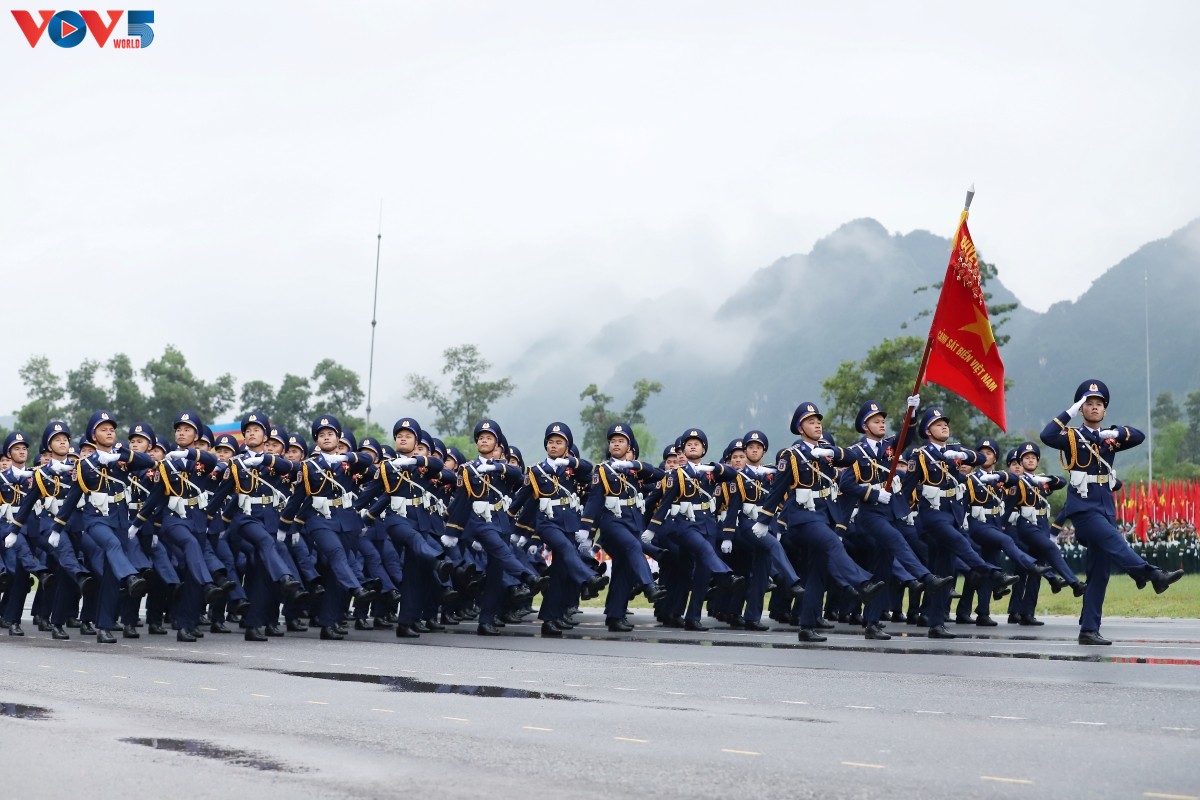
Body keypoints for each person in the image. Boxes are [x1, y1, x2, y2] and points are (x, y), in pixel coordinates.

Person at [1040, 380, 1184, 645]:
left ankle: (1088, 630)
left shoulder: (1109, 440)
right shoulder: (1072, 438)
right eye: (1088, 404)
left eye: (1099, 404)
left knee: (1099, 574)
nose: (1094, 408)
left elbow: (1138, 436)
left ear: (1105, 411)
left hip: (1106, 508)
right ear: (1082, 409)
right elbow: (1047, 435)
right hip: (1083, 509)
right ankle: (1152, 575)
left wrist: (1113, 433)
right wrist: (1070, 411)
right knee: (1115, 542)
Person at [757, 402, 884, 643]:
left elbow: (854, 457)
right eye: (811, 422)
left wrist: (831, 453)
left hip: (825, 516)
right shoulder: (791, 456)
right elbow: (778, 489)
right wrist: (764, 519)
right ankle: (863, 583)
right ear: (800, 428)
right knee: (833, 544)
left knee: (817, 574)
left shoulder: (825, 451)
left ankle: (806, 626)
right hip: (803, 518)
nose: (817, 425)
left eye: (818, 421)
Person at [911, 407, 1017, 640]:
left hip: (952, 516)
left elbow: (980, 458)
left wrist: (961, 455)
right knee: (960, 542)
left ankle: (936, 623)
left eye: (945, 423)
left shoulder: (954, 452)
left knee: (945, 574)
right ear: (928, 431)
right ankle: (993, 573)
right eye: (938, 424)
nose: (944, 426)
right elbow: (908, 484)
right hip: (932, 516)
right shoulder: (920, 455)